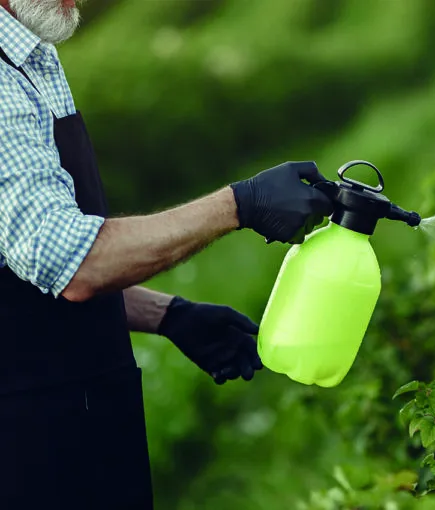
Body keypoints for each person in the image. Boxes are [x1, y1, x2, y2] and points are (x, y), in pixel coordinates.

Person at [0, 0, 334, 508]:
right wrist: (238, 204)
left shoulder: (33, 56)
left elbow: (28, 266)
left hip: (81, 421)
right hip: (27, 447)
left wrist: (169, 315)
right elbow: (78, 262)